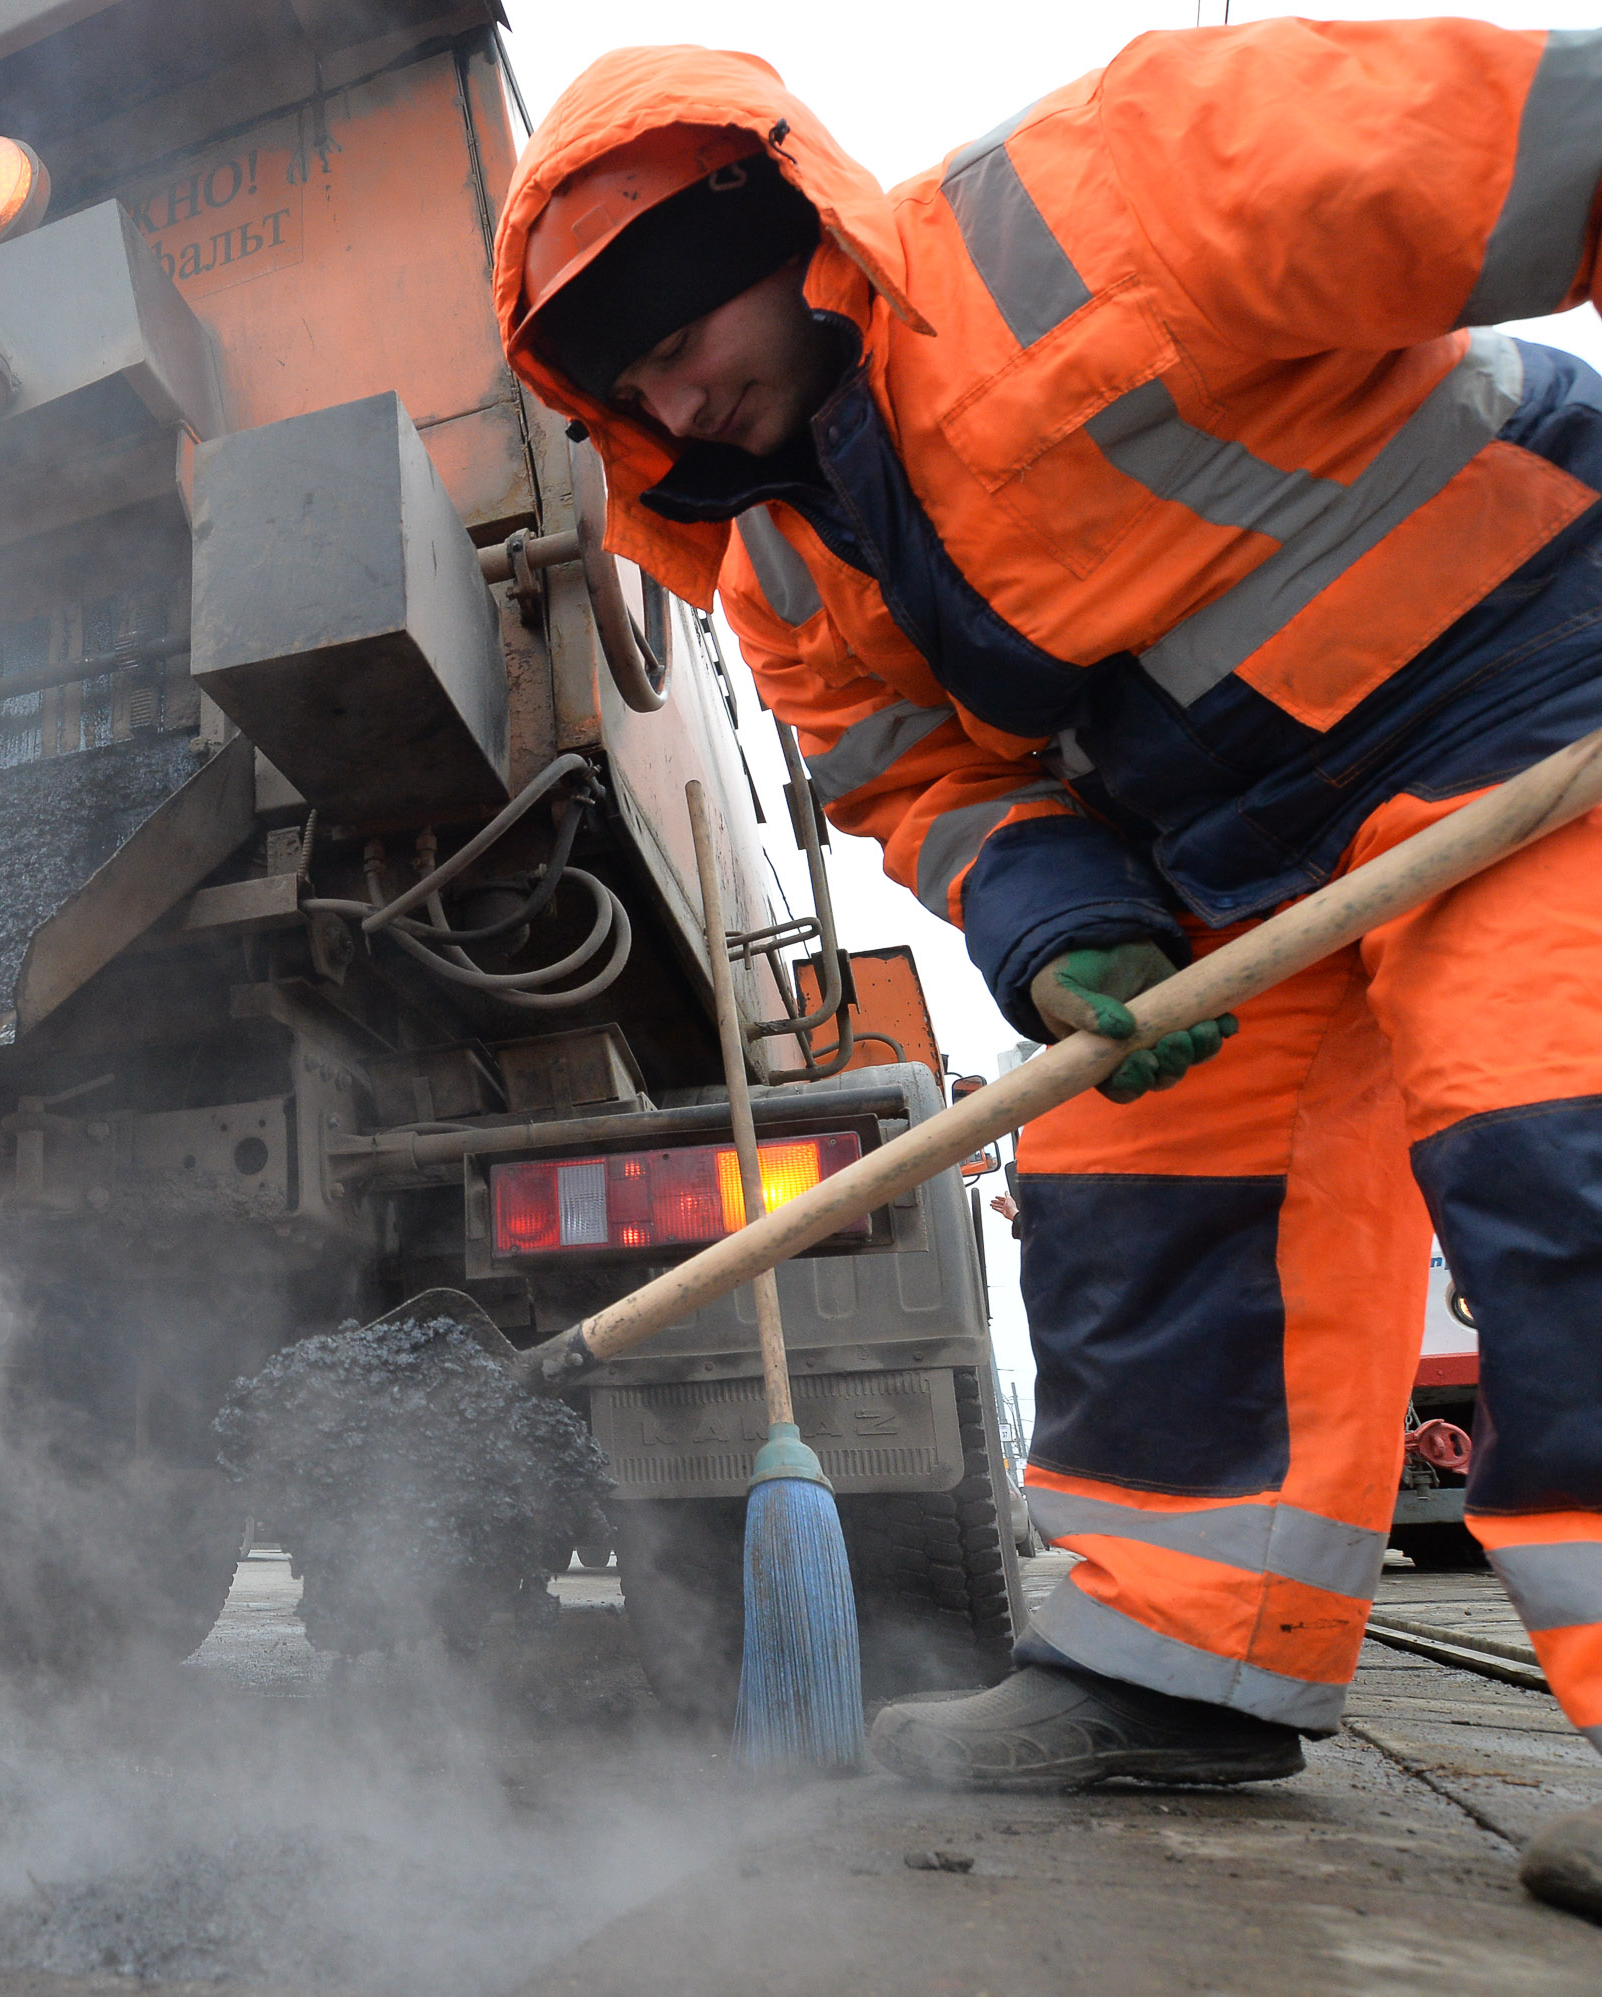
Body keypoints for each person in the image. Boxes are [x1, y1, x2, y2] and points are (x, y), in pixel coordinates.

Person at [494, 20, 1602, 1914]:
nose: (680, 400)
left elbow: (1530, 145)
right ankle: (1179, 1671)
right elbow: (919, 774)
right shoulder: (765, 566)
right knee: (1134, 1185)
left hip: (1519, 700)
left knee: (1553, 1132)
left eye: (686, 335)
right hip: (1222, 860)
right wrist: (1057, 923)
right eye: (634, 388)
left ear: (787, 232)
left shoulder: (1098, 201)